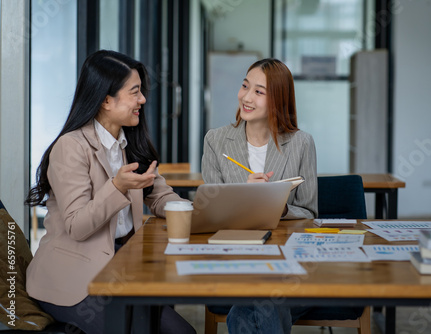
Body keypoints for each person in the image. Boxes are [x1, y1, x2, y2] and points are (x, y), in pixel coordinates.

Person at [25, 50, 196, 334]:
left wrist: (190, 211)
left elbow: (161, 195)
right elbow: (77, 226)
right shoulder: (71, 147)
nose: (142, 100)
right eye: (135, 92)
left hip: (121, 268)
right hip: (70, 280)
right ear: (106, 100)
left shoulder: (130, 142)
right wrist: (117, 187)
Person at [201, 58, 317, 333]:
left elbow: (311, 213)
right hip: (234, 262)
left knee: (250, 308)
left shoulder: (302, 143)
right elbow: (209, 213)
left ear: (278, 100)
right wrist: (246, 198)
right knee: (266, 299)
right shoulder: (215, 140)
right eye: (244, 86)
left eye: (259, 91)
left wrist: (279, 205)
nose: (246, 97)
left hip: (287, 263)